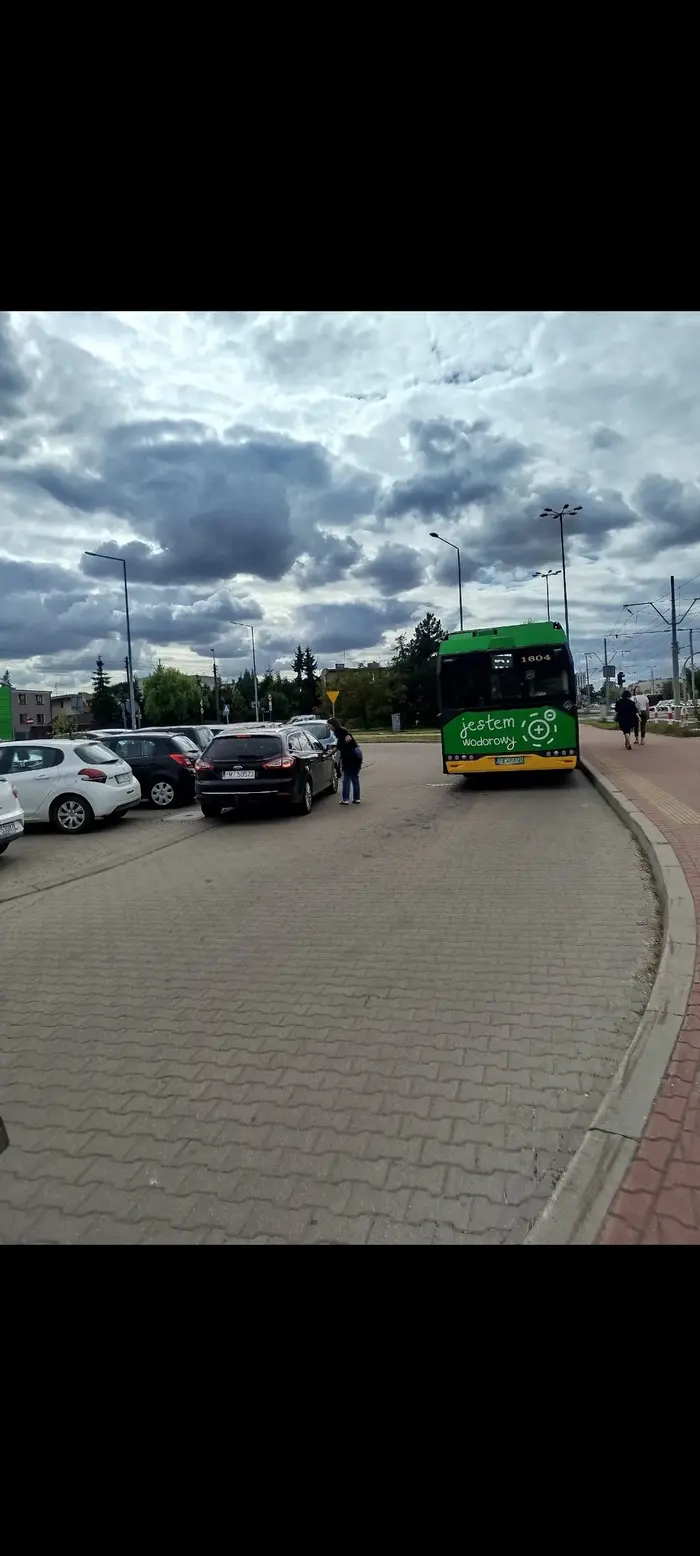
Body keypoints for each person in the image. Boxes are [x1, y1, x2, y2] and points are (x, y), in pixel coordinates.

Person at [328, 717, 363, 804]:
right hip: (356, 756)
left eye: (329, 725)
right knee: (354, 777)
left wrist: (328, 755)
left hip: (349, 757)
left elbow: (338, 747)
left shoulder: (340, 732)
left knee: (346, 778)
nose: (329, 727)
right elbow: (341, 745)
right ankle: (357, 798)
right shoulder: (344, 731)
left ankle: (345, 799)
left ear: (333, 725)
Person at [615, 686, 638, 750]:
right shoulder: (632, 703)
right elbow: (635, 710)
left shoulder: (618, 702)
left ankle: (628, 743)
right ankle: (626, 742)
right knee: (628, 730)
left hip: (622, 718)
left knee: (625, 731)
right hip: (630, 718)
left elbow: (616, 710)